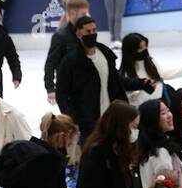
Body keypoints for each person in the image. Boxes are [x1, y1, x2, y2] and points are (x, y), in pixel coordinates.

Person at [55, 15, 143, 143]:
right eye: (88, 31)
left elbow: (118, 81)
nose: (92, 34)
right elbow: (62, 94)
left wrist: (141, 83)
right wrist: (72, 120)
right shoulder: (70, 63)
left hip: (113, 119)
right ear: (79, 34)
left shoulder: (106, 55)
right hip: (88, 124)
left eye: (94, 30)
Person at [45, 0, 89, 102]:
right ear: (73, 14)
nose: (87, 16)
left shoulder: (87, 33)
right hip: (67, 91)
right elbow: (50, 63)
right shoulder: (60, 37)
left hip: (86, 88)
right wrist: (50, 88)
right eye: (83, 14)